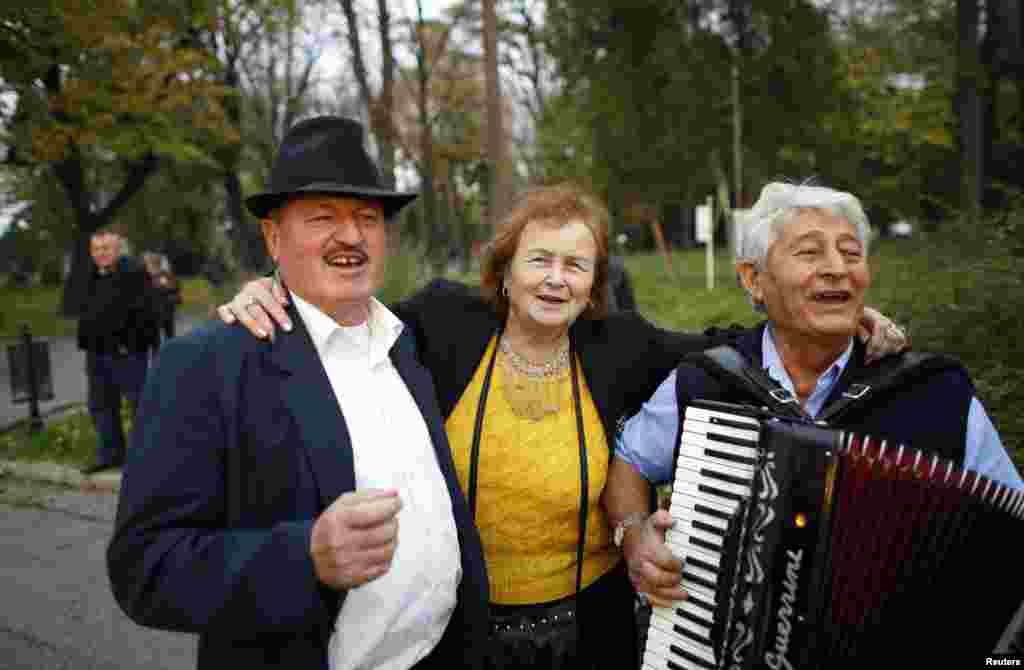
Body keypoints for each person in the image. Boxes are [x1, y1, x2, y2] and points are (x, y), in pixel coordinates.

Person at [219, 181, 908, 669]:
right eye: (540, 260)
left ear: (594, 280)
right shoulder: (441, 324)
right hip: (460, 630)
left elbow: (728, 349)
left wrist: (840, 325)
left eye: (576, 265)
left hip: (591, 629)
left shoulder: (620, 345)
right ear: (507, 272)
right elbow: (343, 317)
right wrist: (272, 292)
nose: (557, 280)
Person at [107, 116, 490, 670]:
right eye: (322, 217)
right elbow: (144, 568)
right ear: (272, 237)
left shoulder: (412, 343)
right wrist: (304, 555)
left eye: (367, 217)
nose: (351, 236)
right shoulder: (206, 364)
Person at [604, 181, 1024, 613]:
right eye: (810, 252)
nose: (837, 268)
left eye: (851, 253)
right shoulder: (707, 381)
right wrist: (635, 534)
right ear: (754, 280)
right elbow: (630, 461)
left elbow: (1011, 524)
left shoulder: (938, 394)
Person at [78, 228, 159, 475]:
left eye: (106, 248)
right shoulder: (91, 274)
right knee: (101, 405)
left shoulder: (133, 273)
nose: (101, 253)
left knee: (138, 405)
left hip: (127, 352)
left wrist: (131, 343)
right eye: (96, 249)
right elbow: (86, 312)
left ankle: (143, 462)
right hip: (97, 352)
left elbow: (147, 313)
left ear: (117, 249)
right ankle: (110, 455)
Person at [142, 251, 181, 344]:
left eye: (149, 262)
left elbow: (174, 288)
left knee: (167, 335)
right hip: (155, 312)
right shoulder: (145, 276)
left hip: (164, 311)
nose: (148, 265)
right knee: (159, 337)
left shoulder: (163, 276)